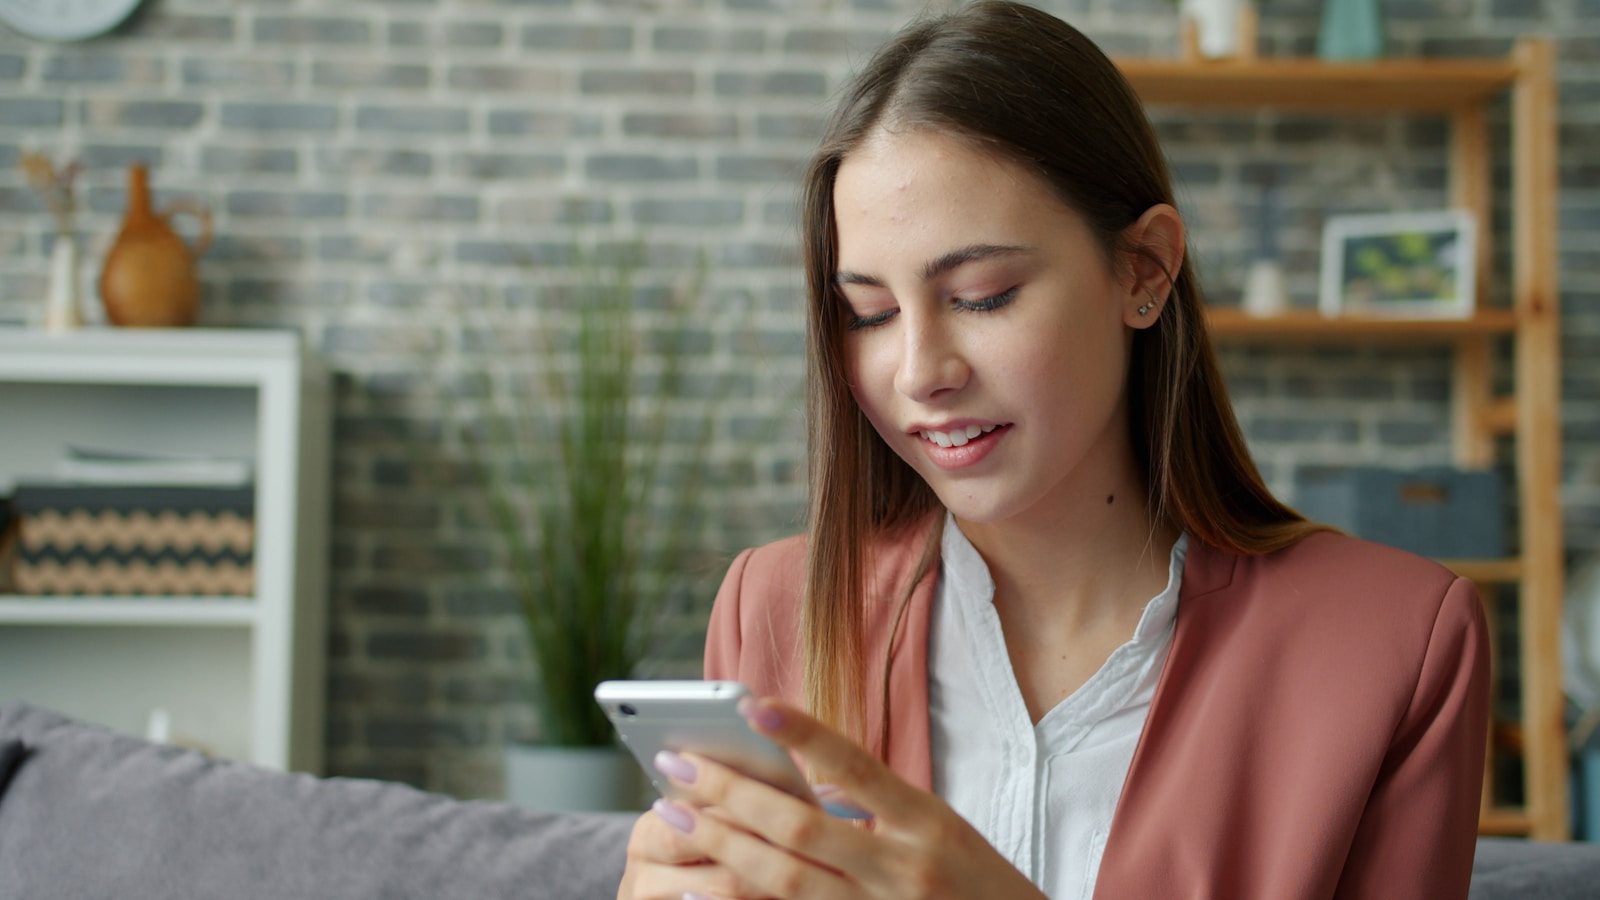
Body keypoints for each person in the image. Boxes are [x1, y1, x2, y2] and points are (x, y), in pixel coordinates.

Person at [618, 2, 1490, 898]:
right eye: (868, 314)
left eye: (984, 295)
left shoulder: (1397, 645)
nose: (920, 372)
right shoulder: (775, 609)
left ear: (1143, 271)